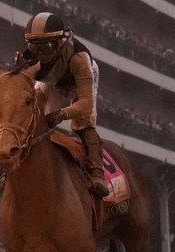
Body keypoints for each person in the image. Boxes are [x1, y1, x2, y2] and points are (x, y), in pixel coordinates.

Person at [18, 12, 110, 197]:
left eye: (46, 46)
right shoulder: (31, 57)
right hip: (52, 82)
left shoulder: (79, 59)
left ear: (60, 43)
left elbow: (85, 103)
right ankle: (15, 166)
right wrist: (17, 72)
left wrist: (61, 114)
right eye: (34, 46)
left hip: (77, 83)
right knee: (34, 119)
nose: (40, 54)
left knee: (82, 123)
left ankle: (97, 174)